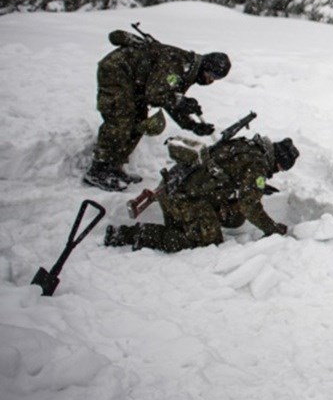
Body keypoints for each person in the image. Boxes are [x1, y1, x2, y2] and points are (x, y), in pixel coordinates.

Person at [84, 28, 231, 191]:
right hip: (118, 70)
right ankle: (99, 169)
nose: (212, 81)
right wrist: (182, 102)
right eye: (213, 76)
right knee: (121, 117)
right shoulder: (177, 64)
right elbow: (155, 95)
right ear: (206, 67)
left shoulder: (188, 70)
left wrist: (192, 125)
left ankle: (113, 167)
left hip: (137, 82)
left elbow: (169, 101)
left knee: (139, 122)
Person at [104, 135, 298, 252]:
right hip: (182, 196)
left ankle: (192, 223)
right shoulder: (257, 165)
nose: (277, 172)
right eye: (280, 168)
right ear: (278, 162)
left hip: (178, 184)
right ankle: (129, 235)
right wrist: (272, 229)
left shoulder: (248, 146)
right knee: (205, 243)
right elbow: (250, 205)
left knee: (234, 215)